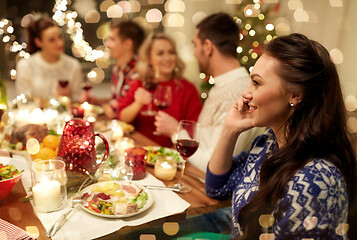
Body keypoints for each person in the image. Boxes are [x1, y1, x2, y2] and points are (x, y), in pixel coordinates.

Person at [206, 33, 356, 239]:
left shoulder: (315, 181)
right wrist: (230, 129)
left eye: (256, 83)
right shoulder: (267, 143)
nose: (246, 93)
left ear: (295, 95)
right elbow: (217, 187)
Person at [154, 13, 265, 172]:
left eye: (195, 45)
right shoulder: (221, 85)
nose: (194, 53)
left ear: (207, 46)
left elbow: (213, 164)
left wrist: (175, 132)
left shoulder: (239, 94)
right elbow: (205, 144)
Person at [118, 33, 202, 147]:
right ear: (149, 59)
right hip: (141, 149)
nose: (167, 58)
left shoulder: (188, 89)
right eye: (160, 53)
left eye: (171, 52)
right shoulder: (140, 83)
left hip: (172, 154)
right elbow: (122, 119)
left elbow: (194, 131)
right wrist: (137, 104)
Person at [83, 20, 145, 119]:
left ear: (128, 44)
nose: (107, 44)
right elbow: (117, 100)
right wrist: (97, 101)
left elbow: (116, 113)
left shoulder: (138, 72)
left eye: (112, 40)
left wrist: (104, 107)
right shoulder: (118, 68)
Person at [16, 17, 83, 102]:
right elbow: (24, 101)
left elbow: (77, 101)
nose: (60, 43)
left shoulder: (73, 65)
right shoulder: (25, 65)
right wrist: (53, 100)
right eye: (52, 40)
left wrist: (68, 98)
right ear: (38, 42)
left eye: (60, 37)